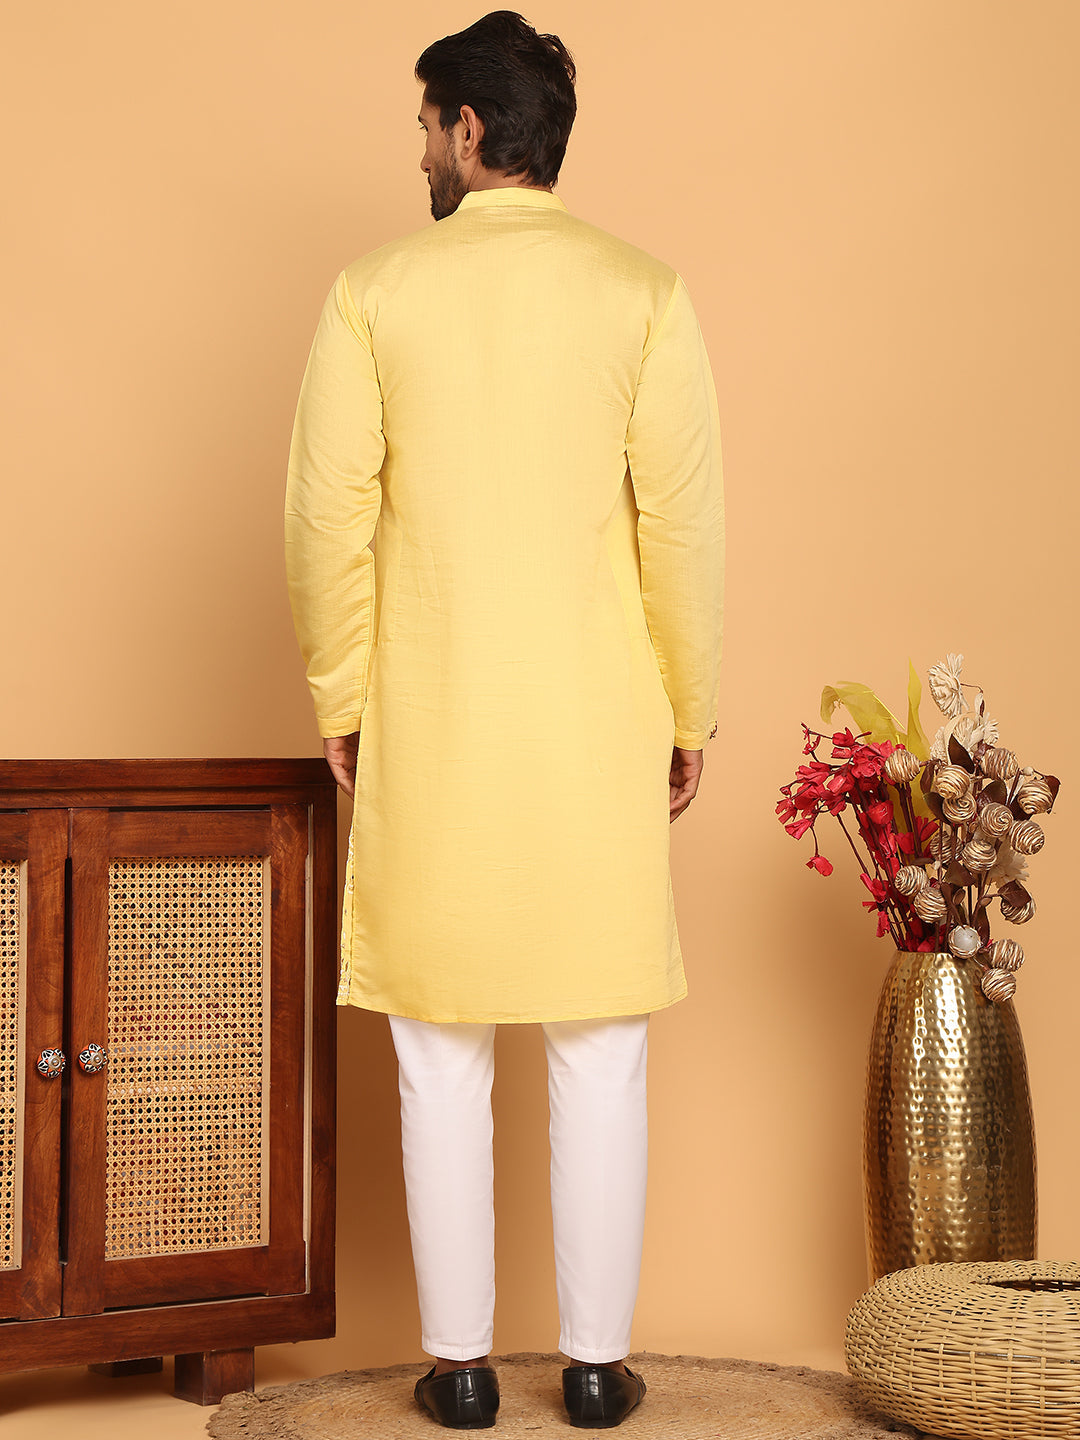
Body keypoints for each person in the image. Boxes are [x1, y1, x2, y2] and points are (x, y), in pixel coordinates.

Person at [283, 10, 724, 1430]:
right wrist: (688, 708)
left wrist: (344, 697)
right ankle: (594, 1369)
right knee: (600, 1049)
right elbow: (684, 532)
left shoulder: (372, 293)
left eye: (427, 125)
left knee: (438, 1050)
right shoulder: (645, 293)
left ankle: (461, 1369)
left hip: (433, 717)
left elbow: (323, 521)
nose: (420, 149)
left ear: (470, 130)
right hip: (597, 726)